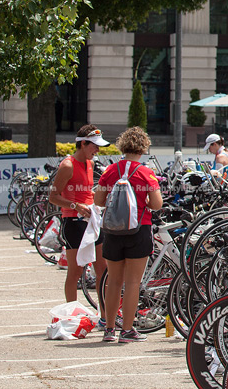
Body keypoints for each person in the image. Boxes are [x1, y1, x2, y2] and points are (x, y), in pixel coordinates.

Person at [95, 126, 163, 342]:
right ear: (143, 148)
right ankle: (127, 330)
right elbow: (156, 204)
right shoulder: (145, 172)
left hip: (113, 230)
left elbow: (98, 201)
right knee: (133, 282)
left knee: (113, 280)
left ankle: (108, 328)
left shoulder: (110, 171)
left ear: (122, 146)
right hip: (138, 229)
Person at [48, 124, 109, 328]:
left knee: (102, 269)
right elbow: (53, 197)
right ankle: (71, 317)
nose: (97, 150)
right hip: (73, 222)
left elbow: (86, 191)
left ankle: (104, 316)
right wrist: (75, 205)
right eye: (94, 146)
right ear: (83, 144)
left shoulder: (90, 164)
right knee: (75, 272)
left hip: (91, 220)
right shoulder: (67, 165)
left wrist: (97, 203)